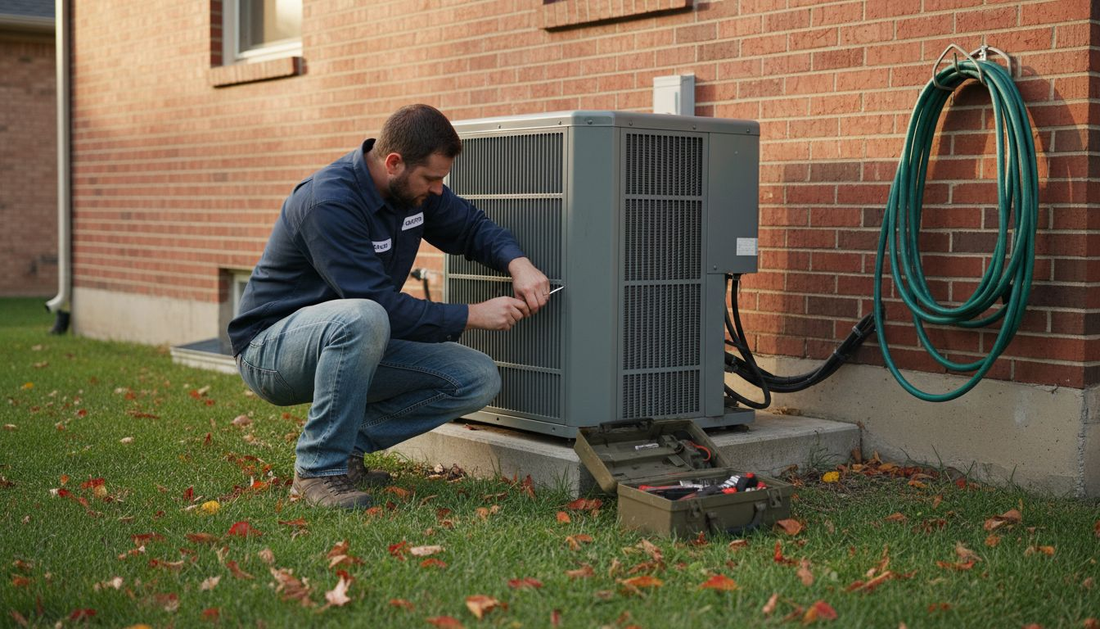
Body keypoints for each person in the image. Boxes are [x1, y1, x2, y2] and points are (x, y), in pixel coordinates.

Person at [227, 104, 550, 509]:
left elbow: (471, 227)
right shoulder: (328, 202)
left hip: (355, 338)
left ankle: (345, 450)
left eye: (441, 180)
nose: (437, 190)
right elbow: (379, 304)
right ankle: (317, 470)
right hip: (270, 351)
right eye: (431, 178)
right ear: (394, 162)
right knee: (363, 314)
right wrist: (473, 314)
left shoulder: (415, 193)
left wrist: (518, 264)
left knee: (477, 376)